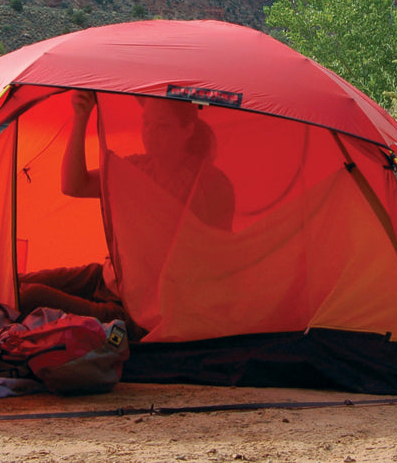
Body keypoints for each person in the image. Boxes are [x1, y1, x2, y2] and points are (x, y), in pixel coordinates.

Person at [19, 90, 235, 332]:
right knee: (15, 283)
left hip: (137, 309)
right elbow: (74, 185)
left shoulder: (209, 184)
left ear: (187, 130)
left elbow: (213, 259)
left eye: (162, 126)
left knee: (30, 296)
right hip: (107, 278)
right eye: (146, 123)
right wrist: (81, 117)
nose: (150, 133)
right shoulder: (137, 168)